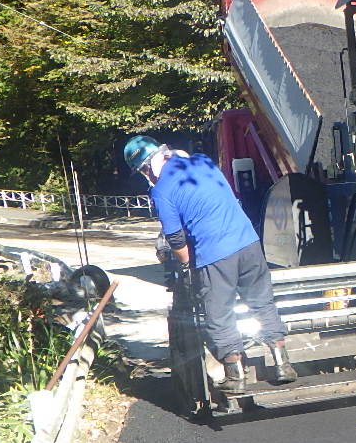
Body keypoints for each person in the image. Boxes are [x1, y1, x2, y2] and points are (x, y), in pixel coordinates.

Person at [124, 135, 297, 394]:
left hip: (215, 255)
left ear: (147, 167)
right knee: (263, 303)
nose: (146, 176)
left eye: (143, 171)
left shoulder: (161, 191)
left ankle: (236, 376)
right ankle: (283, 364)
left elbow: (175, 238)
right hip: (249, 244)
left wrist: (187, 266)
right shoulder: (203, 163)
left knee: (219, 314)